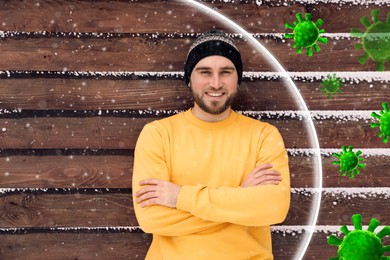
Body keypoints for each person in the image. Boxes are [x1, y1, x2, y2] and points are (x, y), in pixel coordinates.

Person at [132, 29, 290, 260]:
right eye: (204, 72)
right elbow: (152, 219)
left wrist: (179, 197)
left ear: (237, 78)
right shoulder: (158, 134)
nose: (215, 83)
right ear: (189, 78)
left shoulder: (264, 135)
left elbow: (273, 208)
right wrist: (240, 199)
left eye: (225, 72)